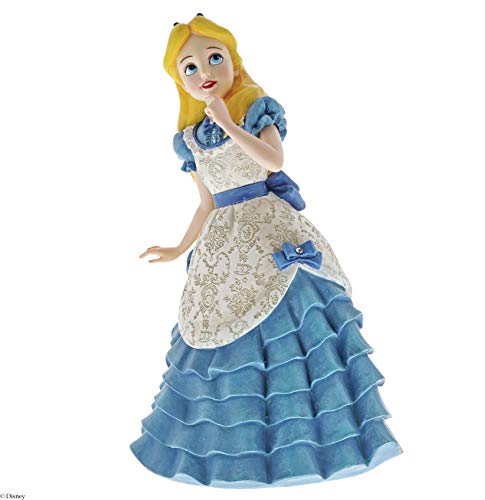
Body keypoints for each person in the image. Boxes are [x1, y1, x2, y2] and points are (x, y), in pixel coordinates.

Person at [129, 13, 403, 488]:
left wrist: (229, 123)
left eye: (214, 58)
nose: (204, 71)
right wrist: (177, 248)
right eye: (189, 67)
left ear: (234, 61)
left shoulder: (255, 109)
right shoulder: (189, 140)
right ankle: (235, 449)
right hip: (224, 243)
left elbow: (274, 160)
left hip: (269, 228)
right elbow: (206, 204)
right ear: (179, 79)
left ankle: (311, 439)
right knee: (218, 332)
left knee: (297, 325)